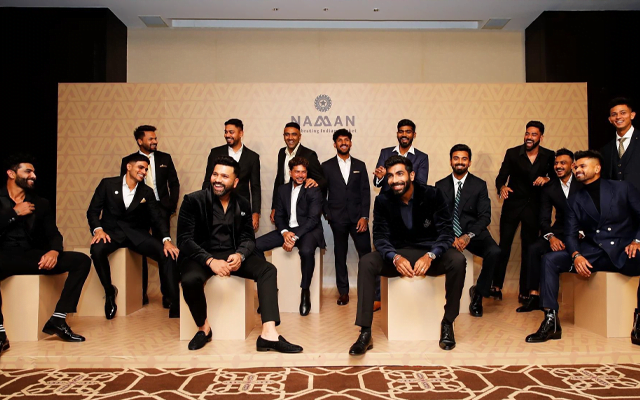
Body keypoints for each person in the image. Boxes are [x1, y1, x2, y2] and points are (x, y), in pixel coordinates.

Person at [178, 155, 303, 353]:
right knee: (189, 279)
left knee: (267, 270)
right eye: (215, 174)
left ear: (235, 182)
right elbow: (184, 240)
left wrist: (241, 255)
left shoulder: (243, 204)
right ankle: (204, 328)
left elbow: (248, 238)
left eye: (224, 176)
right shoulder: (193, 201)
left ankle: (268, 334)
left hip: (232, 254)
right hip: (201, 255)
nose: (218, 180)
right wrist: (210, 261)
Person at [350, 156, 465, 354]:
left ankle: (448, 323)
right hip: (397, 255)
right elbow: (380, 237)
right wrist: (394, 257)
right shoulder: (382, 200)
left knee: (458, 260)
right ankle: (365, 332)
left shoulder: (433, 194)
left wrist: (431, 255)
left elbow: (446, 233)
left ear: (411, 175)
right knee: (367, 261)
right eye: (390, 176)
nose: (395, 180)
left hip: (428, 254)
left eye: (399, 174)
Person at [525, 150, 640, 345]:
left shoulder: (623, 188)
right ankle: (551, 321)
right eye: (576, 166)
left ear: (597, 168)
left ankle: (639, 322)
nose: (577, 169)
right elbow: (570, 234)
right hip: (593, 253)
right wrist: (576, 255)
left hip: (625, 250)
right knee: (550, 260)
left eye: (582, 166)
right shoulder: (574, 199)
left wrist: (637, 241)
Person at [1, 154, 91, 354]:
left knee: (81, 261)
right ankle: (0, 333)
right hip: (3, 256)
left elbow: (53, 234)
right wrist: (14, 213)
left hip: (29, 256)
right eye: (28, 171)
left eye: (34, 172)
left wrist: (54, 251)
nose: (33, 176)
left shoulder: (40, 203)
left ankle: (58, 319)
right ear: (11, 174)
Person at [87, 153, 180, 319]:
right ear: (129, 167)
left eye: (146, 169)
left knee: (167, 254)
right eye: (140, 167)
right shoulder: (107, 184)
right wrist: (98, 230)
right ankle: (109, 292)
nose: (144, 172)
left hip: (136, 235)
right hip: (111, 233)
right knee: (97, 250)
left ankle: (175, 302)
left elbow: (157, 218)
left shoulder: (147, 192)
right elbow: (92, 211)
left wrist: (167, 240)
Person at [435, 144, 501, 317]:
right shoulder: (440, 185)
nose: (460, 162)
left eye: (464, 159)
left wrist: (468, 235)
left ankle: (478, 293)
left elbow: (485, 216)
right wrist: (450, 236)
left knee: (494, 251)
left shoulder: (479, 185)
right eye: (456, 158)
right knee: (451, 258)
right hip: (449, 234)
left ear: (469, 162)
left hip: (473, 233)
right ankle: (448, 302)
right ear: (450, 161)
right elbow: (438, 216)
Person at [493, 121, 555, 302]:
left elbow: (555, 178)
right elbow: (500, 177)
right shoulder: (512, 153)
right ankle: (496, 286)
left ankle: (525, 291)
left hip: (534, 209)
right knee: (504, 246)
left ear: (541, 137)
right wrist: (502, 187)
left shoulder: (549, 155)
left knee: (529, 249)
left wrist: (547, 178)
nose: (529, 137)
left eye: (534, 134)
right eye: (527, 133)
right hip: (512, 206)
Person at [257, 157, 325, 316]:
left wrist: (294, 237)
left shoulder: (313, 189)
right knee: (256, 246)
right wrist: (284, 232)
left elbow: (313, 219)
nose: (301, 175)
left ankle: (305, 290)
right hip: (287, 230)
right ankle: (269, 290)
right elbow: (279, 216)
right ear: (290, 173)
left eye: (304, 172)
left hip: (308, 231)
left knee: (306, 251)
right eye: (297, 172)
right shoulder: (282, 190)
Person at [121, 125, 180, 308]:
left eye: (155, 138)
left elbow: (174, 183)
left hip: (160, 210)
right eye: (151, 139)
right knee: (141, 250)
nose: (155, 141)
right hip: (139, 212)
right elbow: (126, 185)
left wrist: (170, 206)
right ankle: (141, 294)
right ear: (140, 141)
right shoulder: (128, 161)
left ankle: (168, 295)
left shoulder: (165, 158)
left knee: (165, 250)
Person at [517, 148, 582, 313]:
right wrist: (551, 237)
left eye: (563, 163)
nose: (558, 166)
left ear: (572, 165)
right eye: (556, 163)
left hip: (581, 232)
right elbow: (544, 218)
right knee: (533, 249)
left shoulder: (582, 183)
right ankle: (533, 296)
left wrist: (581, 233)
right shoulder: (549, 187)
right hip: (559, 232)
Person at [321, 129, 371, 305]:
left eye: (346, 140)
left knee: (366, 255)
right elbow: (322, 193)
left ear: (350, 143)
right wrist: (328, 214)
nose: (343, 142)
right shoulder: (326, 166)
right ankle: (343, 292)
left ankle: (368, 292)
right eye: (340, 140)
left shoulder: (360, 165)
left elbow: (365, 192)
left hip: (359, 219)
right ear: (335, 144)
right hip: (338, 218)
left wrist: (365, 216)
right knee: (340, 255)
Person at [201, 118, 261, 230]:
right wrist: (204, 205)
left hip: (241, 207)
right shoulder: (215, 153)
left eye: (231, 132)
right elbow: (207, 181)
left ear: (241, 133)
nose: (227, 135)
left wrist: (256, 212)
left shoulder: (252, 157)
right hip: (217, 206)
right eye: (226, 132)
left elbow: (255, 187)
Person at [270, 122, 326, 224]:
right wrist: (274, 206)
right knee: (284, 232)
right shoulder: (282, 153)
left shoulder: (309, 154)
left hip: (302, 210)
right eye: (287, 134)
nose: (290, 138)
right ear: (284, 136)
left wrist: (314, 182)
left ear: (299, 136)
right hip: (284, 206)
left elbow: (322, 180)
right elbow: (279, 181)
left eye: (294, 134)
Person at [372, 119, 429, 192]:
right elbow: (376, 183)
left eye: (408, 132)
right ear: (397, 134)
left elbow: (421, 186)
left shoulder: (422, 157)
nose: (404, 135)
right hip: (386, 198)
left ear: (414, 135)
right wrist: (380, 177)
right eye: (401, 132)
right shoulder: (385, 153)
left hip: (409, 199)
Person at [601, 97, 639, 191]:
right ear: (610, 119)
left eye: (623, 113)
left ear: (632, 115)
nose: (618, 117)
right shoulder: (606, 149)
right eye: (614, 114)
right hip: (616, 199)